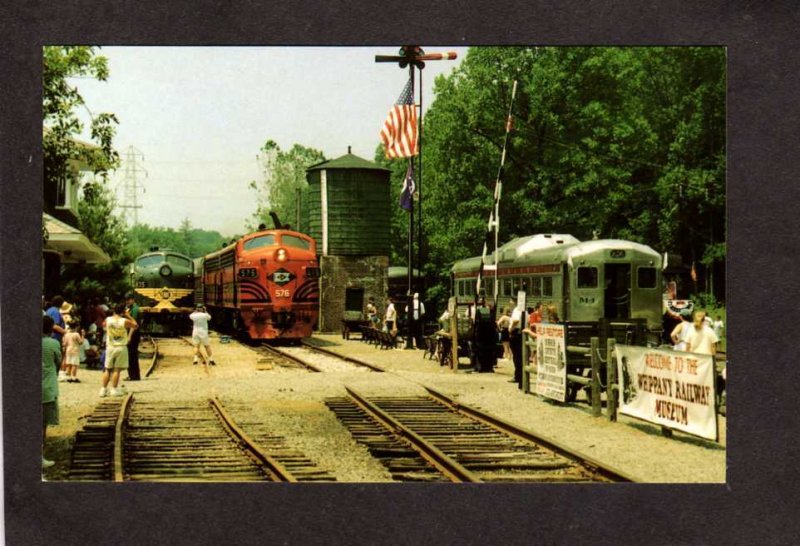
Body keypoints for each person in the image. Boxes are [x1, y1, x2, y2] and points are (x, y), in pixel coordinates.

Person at [99, 303, 138, 397]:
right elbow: (136, 325)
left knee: (107, 369)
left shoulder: (108, 319)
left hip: (110, 346)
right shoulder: (124, 321)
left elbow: (103, 325)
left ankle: (103, 390)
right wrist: (128, 315)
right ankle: (114, 389)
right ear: (123, 312)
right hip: (121, 347)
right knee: (117, 369)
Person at [42, 315, 61, 469]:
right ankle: (39, 457)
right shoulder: (53, 343)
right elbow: (58, 362)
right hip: (46, 388)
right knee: (41, 425)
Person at [125, 293, 142, 380]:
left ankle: (134, 375)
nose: (127, 301)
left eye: (128, 300)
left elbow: (134, 324)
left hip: (133, 334)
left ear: (132, 299)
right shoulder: (130, 308)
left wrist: (129, 336)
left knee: (132, 355)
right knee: (131, 355)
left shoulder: (135, 309)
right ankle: (133, 375)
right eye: (126, 300)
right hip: (131, 334)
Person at [509, 303, 524, 387]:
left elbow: (516, 320)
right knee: (519, 356)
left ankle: (518, 376)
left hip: (516, 333)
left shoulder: (517, 309)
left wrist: (511, 329)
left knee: (516, 356)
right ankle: (519, 375)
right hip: (520, 333)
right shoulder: (524, 309)